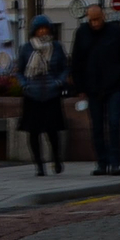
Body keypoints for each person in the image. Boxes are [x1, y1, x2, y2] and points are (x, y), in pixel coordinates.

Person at [68, 2, 120, 176]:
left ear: (104, 16)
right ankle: (101, 162)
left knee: (114, 124)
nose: (95, 23)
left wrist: (118, 74)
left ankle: (115, 163)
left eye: (98, 19)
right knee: (97, 127)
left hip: (113, 86)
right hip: (92, 88)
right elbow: (76, 61)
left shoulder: (115, 32)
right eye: (92, 20)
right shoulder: (82, 33)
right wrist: (80, 87)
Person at [16, 16, 69, 176]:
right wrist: (25, 84)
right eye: (40, 29)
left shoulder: (56, 47)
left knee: (52, 131)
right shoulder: (26, 48)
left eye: (45, 28)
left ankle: (56, 159)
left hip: (51, 94)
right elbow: (19, 71)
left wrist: (59, 82)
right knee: (33, 132)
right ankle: (38, 165)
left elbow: (64, 68)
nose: (43, 31)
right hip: (32, 95)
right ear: (34, 31)